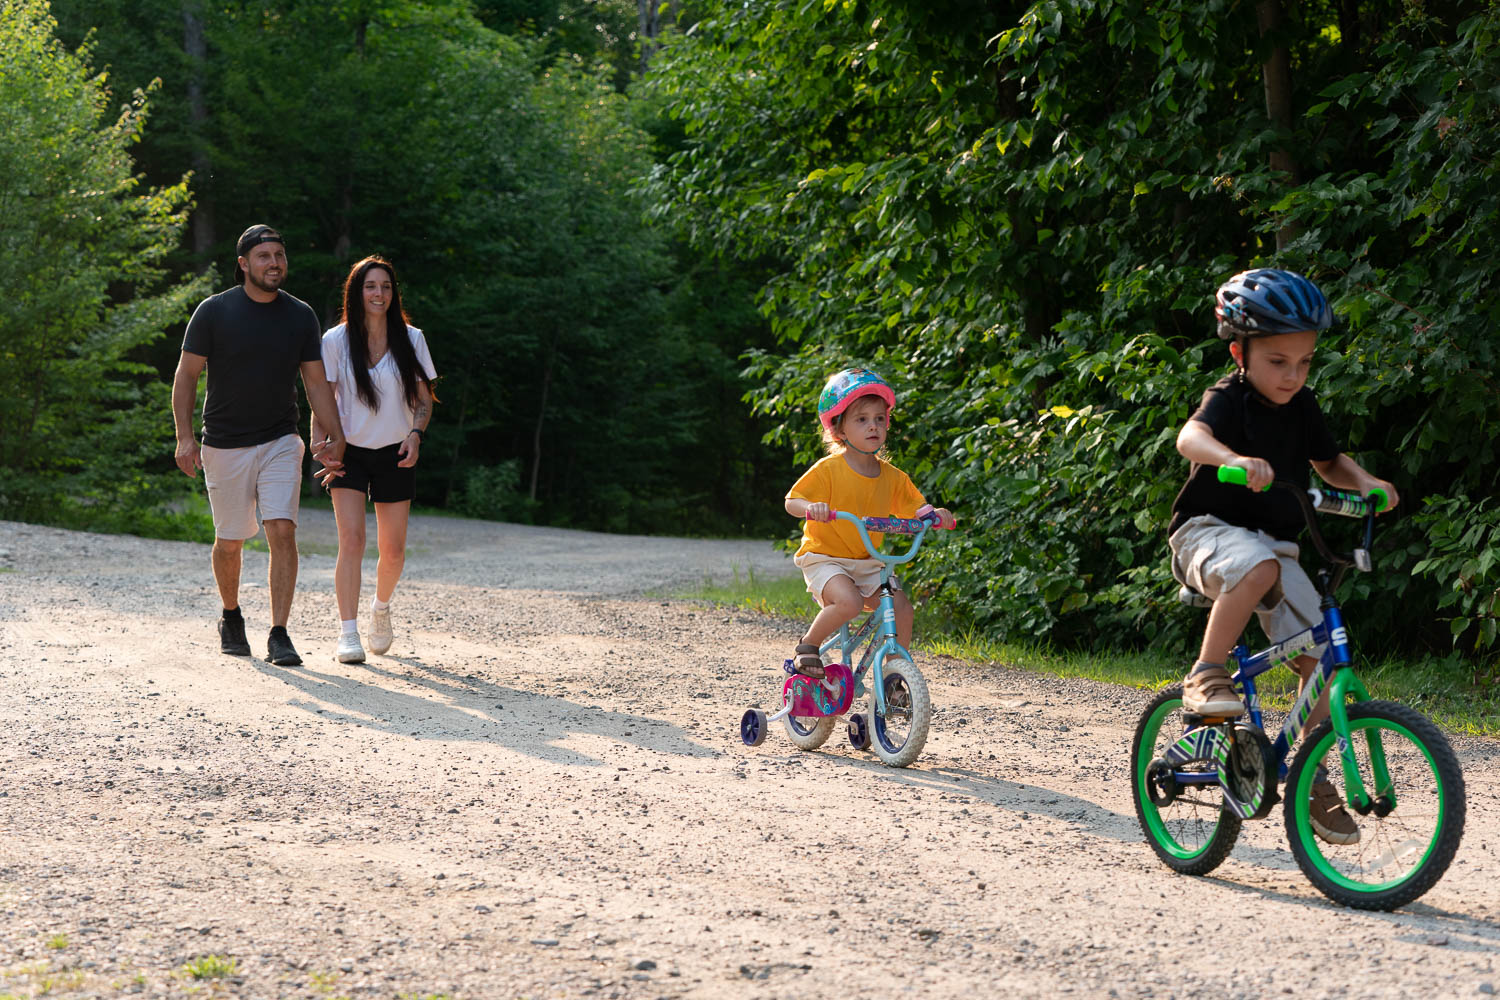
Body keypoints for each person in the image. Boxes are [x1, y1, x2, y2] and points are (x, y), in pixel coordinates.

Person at [1167, 267, 1400, 845]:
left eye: (1304, 361)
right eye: (1278, 361)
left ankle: (1307, 776)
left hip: (1275, 545)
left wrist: (1368, 483)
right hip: (1208, 531)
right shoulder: (1229, 397)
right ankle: (1206, 673)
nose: (1293, 375)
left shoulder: (1303, 407)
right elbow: (1188, 440)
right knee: (1261, 565)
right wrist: (1233, 459)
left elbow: (1330, 463)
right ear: (1239, 352)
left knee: (1323, 658)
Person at [172, 223, 347, 666]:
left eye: (280, 256)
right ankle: (231, 616)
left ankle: (279, 633)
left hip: (280, 439)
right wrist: (185, 437)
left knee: (282, 529)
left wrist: (334, 432)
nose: (274, 264)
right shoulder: (214, 311)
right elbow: (186, 375)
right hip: (225, 443)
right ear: (244, 264)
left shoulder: (300, 315)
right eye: (265, 256)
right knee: (230, 540)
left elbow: (315, 382)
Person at [783, 368, 955, 678]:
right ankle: (807, 646)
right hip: (825, 558)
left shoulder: (892, 477)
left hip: (866, 561)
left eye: (879, 419)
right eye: (861, 419)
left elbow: (916, 508)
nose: (873, 426)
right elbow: (792, 501)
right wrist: (812, 508)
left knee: (901, 608)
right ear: (840, 430)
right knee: (848, 602)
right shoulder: (828, 469)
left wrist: (934, 514)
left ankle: (894, 675)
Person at [312, 255, 437, 664]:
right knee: (352, 540)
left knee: (394, 551)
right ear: (356, 292)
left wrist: (416, 435)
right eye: (370, 286)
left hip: (395, 451)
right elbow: (322, 401)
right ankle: (348, 633)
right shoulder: (334, 340)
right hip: (348, 451)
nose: (378, 293)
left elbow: (422, 399)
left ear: (393, 293)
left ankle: (380, 610)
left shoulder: (412, 339)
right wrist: (322, 443)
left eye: (385, 286)